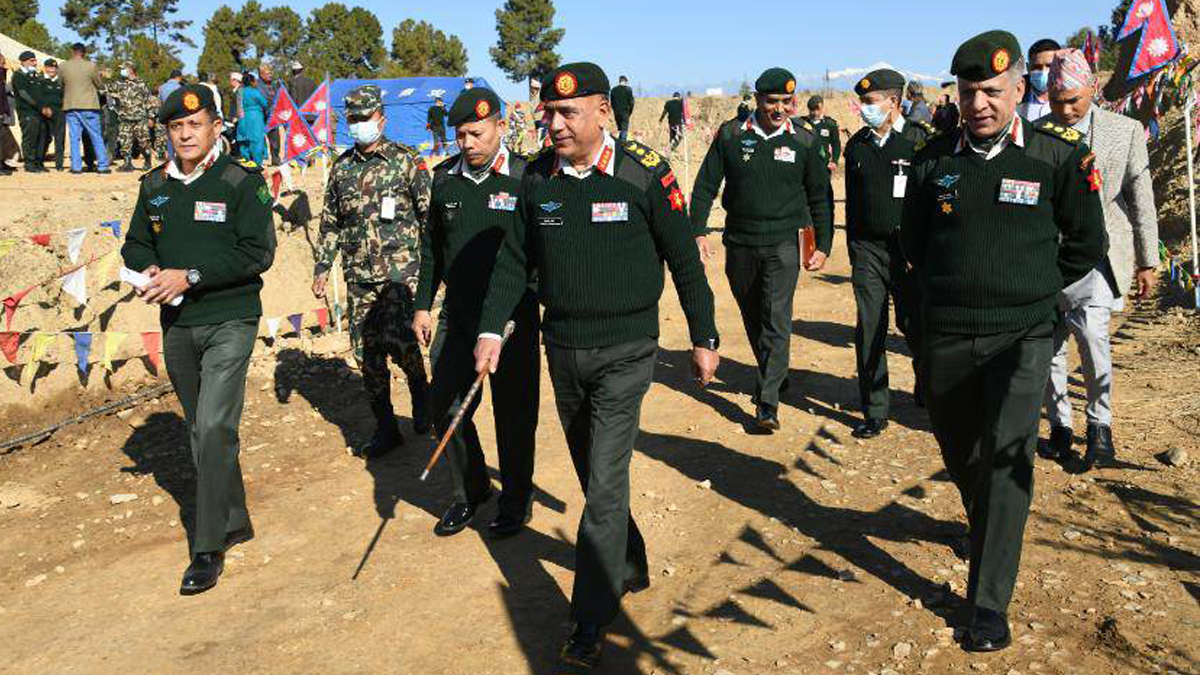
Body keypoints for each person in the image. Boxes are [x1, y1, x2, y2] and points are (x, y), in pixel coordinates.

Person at [474, 62, 719, 668]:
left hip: (629, 348)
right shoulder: (536, 177)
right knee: (593, 473)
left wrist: (703, 334)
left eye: (568, 113)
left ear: (603, 112)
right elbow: (512, 259)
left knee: (604, 487)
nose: (553, 124)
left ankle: (588, 617)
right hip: (562, 348)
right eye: (548, 113)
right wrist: (489, 328)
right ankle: (629, 560)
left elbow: (683, 258)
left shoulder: (644, 171)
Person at [901, 30, 1105, 652]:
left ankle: (987, 603)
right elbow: (913, 242)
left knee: (1007, 462)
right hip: (948, 335)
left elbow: (1085, 243)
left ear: (1020, 88)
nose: (980, 102)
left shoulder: (1059, 157)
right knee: (961, 449)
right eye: (969, 91)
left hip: (1022, 336)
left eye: (992, 90)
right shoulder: (935, 160)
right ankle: (983, 519)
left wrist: (1035, 293)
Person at [120, 84, 277, 595]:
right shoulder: (153, 186)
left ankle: (207, 547)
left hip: (231, 319)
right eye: (175, 127)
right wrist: (148, 269)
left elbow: (258, 252)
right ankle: (235, 519)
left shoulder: (239, 181)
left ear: (214, 126)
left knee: (212, 427)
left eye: (195, 124)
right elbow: (136, 241)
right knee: (200, 430)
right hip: (177, 325)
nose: (185, 134)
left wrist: (189, 275)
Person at [413, 88, 541, 539]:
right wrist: (422, 306)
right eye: (460, 134)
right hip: (458, 313)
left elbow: (543, 253)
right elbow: (432, 248)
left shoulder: (528, 176)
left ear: (500, 128)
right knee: (444, 404)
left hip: (512, 318)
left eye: (476, 133)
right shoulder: (444, 179)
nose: (467, 143)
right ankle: (470, 491)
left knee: (514, 412)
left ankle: (516, 498)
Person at [689, 67, 833, 431]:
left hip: (784, 242)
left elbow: (820, 196)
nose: (780, 108)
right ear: (757, 100)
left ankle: (767, 402)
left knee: (776, 318)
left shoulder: (804, 140)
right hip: (740, 242)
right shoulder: (732, 135)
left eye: (787, 101)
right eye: (773, 101)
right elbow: (706, 184)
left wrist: (825, 243)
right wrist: (698, 230)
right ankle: (775, 371)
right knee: (753, 315)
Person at [1040, 48, 1160, 471]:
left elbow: (1140, 198)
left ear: (1092, 89)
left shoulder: (1124, 131)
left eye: (1074, 99)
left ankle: (1100, 428)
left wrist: (1148, 259)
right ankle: (1058, 426)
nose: (1067, 109)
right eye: (1058, 102)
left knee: (1093, 339)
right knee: (1048, 345)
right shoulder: (1035, 135)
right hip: (1047, 258)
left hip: (1100, 255)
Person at [313, 85, 431, 458]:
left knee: (405, 346)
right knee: (367, 355)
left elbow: (430, 216)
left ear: (381, 118)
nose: (360, 125)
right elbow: (331, 222)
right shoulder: (342, 168)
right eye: (354, 119)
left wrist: (433, 271)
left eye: (366, 118)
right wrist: (321, 266)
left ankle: (423, 404)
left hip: (401, 278)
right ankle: (385, 428)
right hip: (359, 278)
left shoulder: (405, 160)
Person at [843, 68, 935, 439]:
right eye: (863, 102)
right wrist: (852, 247)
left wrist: (924, 249)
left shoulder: (919, 143)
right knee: (870, 329)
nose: (864, 109)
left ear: (893, 102)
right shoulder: (858, 146)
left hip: (908, 251)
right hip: (868, 250)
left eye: (870, 102)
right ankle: (874, 409)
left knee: (915, 326)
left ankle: (926, 381)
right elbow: (851, 204)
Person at [113, 63, 156, 172]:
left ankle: (147, 161)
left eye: (123, 69)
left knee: (144, 143)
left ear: (130, 70)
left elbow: (149, 100)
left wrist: (151, 117)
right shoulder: (119, 84)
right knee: (125, 142)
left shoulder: (141, 84)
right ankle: (127, 163)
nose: (121, 71)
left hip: (139, 119)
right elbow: (107, 90)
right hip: (124, 118)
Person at [12, 51, 49, 172]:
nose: (35, 62)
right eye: (31, 60)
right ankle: (29, 163)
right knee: (30, 138)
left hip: (40, 112)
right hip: (28, 112)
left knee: (42, 137)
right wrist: (39, 107)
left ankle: (39, 162)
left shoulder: (37, 75)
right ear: (23, 61)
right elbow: (23, 94)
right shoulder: (19, 75)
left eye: (35, 60)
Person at [1018, 38, 1060, 121]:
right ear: (1028, 68)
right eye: (1037, 67)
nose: (1043, 71)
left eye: (1049, 66)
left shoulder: (1071, 101)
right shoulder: (1014, 99)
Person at [235, 73, 269, 165]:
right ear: (252, 82)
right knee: (256, 140)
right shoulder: (255, 92)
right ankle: (257, 162)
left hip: (243, 117)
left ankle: (246, 160)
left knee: (244, 140)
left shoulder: (240, 92)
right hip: (255, 117)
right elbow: (264, 103)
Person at [40, 59, 66, 171]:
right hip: (44, 112)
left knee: (60, 139)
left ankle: (59, 164)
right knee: (44, 138)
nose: (52, 70)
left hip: (59, 112)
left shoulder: (61, 82)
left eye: (54, 68)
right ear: (45, 68)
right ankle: (39, 161)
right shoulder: (40, 80)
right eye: (50, 67)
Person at [256, 63, 281, 164]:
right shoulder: (256, 85)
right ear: (261, 75)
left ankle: (276, 158)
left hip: (272, 115)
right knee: (259, 138)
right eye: (267, 74)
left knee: (275, 138)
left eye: (271, 73)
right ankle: (259, 159)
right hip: (261, 114)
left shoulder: (274, 85)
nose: (270, 75)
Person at [157, 69, 184, 161]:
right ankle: (179, 156)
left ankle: (171, 157)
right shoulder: (179, 87)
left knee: (169, 135)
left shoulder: (161, 87)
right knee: (178, 135)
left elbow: (159, 103)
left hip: (166, 114)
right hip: (177, 114)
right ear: (179, 77)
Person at [0, 55, 16, 175]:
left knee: (5, 140)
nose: (4, 65)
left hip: (3, 112)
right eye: (2, 62)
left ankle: (2, 162)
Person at [610, 75, 634, 144]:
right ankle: (622, 144)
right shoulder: (628, 90)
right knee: (624, 129)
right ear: (625, 81)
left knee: (620, 129)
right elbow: (631, 102)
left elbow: (612, 102)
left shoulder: (613, 90)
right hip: (625, 112)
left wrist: (615, 110)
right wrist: (630, 112)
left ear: (619, 81)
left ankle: (619, 142)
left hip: (617, 112)